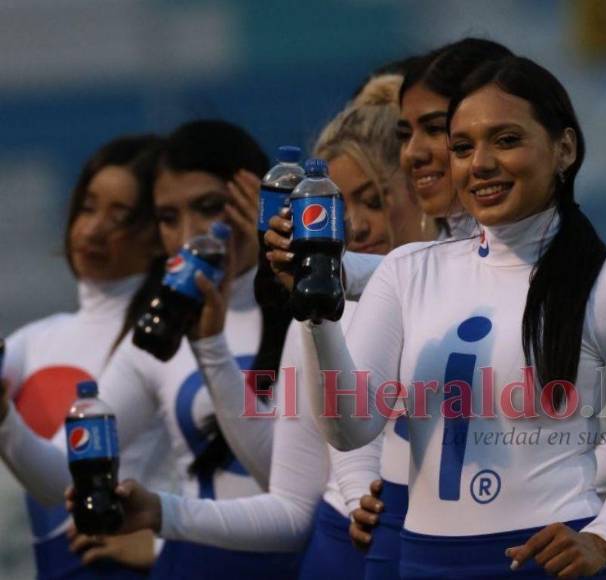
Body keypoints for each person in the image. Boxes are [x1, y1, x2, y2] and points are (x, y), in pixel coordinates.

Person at [299, 54, 606, 579]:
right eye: (462, 147)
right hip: (423, 563)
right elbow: (349, 429)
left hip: (554, 565)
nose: (479, 164)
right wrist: (317, 317)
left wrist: (604, 537)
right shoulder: (406, 271)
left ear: (565, 148)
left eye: (505, 140)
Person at [88, 73, 438, 580]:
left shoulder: (454, 295)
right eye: (336, 207)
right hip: (340, 557)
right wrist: (163, 513)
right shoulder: (315, 313)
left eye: (374, 199)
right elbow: (295, 496)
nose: (354, 225)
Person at [0, 120, 306, 579]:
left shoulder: (314, 313)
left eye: (209, 207)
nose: (189, 234)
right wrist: (5, 419)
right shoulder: (159, 339)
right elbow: (66, 475)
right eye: (167, 218)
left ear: (255, 200)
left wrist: (161, 532)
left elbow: (295, 493)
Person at [0, 134, 173, 579]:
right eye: (87, 207)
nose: (93, 229)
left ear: (160, 234)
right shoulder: (33, 339)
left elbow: (63, 481)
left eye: (120, 217)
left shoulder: (159, 344)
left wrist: (162, 545)